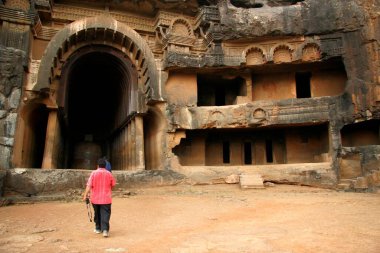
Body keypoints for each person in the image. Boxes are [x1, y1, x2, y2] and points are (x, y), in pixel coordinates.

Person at [83, 157, 116, 237]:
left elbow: (89, 185)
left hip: (95, 198)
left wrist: (85, 195)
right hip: (106, 198)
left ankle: (98, 228)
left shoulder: (93, 173)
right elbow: (113, 185)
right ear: (105, 166)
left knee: (97, 213)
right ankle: (105, 230)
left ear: (97, 166)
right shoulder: (109, 174)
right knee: (105, 214)